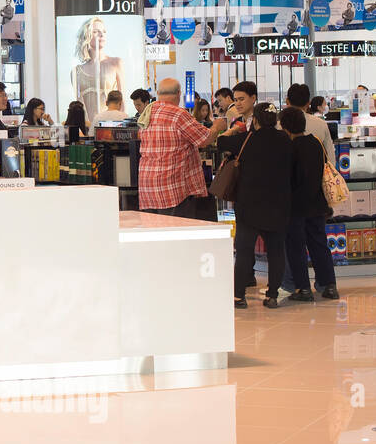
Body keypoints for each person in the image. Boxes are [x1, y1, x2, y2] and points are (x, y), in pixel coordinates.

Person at [137, 78, 227, 219]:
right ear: (179, 93)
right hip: (172, 187)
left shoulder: (147, 112)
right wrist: (217, 127)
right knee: (176, 229)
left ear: (158, 93)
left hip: (147, 186)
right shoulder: (179, 114)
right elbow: (204, 139)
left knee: (153, 229)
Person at [232, 104, 293, 309]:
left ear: (256, 120)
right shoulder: (285, 139)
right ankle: (272, 295)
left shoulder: (248, 139)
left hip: (249, 205)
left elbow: (222, 142)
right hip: (278, 204)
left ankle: (239, 296)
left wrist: (232, 131)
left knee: (244, 250)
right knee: (276, 251)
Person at [280, 107, 339, 303]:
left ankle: (303, 288)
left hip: (296, 206)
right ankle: (329, 285)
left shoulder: (289, 147)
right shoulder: (315, 142)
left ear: (285, 127)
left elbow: (288, 177)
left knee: (296, 247)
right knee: (319, 245)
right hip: (317, 203)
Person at [72, 17, 125, 124]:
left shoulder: (116, 63)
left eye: (104, 31)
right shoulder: (77, 71)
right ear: (86, 35)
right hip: (87, 128)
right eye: (96, 31)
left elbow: (122, 99)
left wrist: (122, 124)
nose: (102, 35)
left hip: (111, 124)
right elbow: (78, 105)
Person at [285, 83, 335, 166]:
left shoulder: (279, 125)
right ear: (308, 103)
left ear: (287, 101)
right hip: (316, 172)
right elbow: (330, 155)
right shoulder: (321, 124)